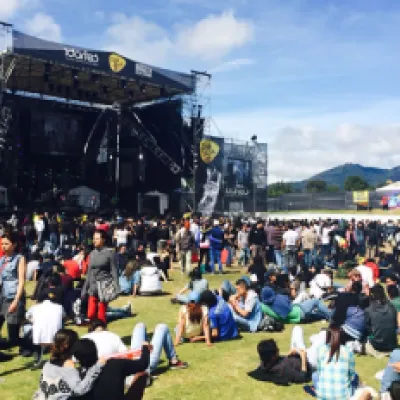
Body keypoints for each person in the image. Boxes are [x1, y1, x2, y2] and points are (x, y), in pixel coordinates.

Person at [33, 329, 104, 399]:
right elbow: (79, 390)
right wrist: (97, 366)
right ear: (68, 345)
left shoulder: (48, 364)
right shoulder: (68, 365)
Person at [72, 338, 149, 400]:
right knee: (142, 375)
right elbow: (143, 364)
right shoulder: (116, 364)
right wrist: (145, 348)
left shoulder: (75, 376)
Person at [82, 230, 119, 323]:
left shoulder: (110, 253)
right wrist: (84, 288)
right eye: (94, 239)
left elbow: (114, 271)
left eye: (97, 239)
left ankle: (101, 330)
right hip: (93, 287)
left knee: (101, 315)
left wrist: (117, 287)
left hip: (104, 287)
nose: (94, 241)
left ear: (103, 240)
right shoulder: (92, 254)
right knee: (90, 314)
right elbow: (89, 272)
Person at [313, 325, 358, 400]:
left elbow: (319, 372)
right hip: (343, 396)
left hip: (323, 396)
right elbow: (351, 375)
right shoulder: (348, 351)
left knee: (314, 375)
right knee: (355, 376)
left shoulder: (321, 349)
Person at [0, 230, 27, 354]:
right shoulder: (2, 260)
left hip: (13, 297)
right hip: (2, 297)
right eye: (2, 244)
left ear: (14, 244)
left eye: (6, 243)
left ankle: (33, 346)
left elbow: (21, 281)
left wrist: (16, 301)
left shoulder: (19, 259)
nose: (3, 246)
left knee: (13, 337)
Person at [364, 284, 398, 358]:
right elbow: (395, 326)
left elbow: (368, 330)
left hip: (377, 345)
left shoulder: (369, 310)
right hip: (392, 345)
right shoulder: (392, 307)